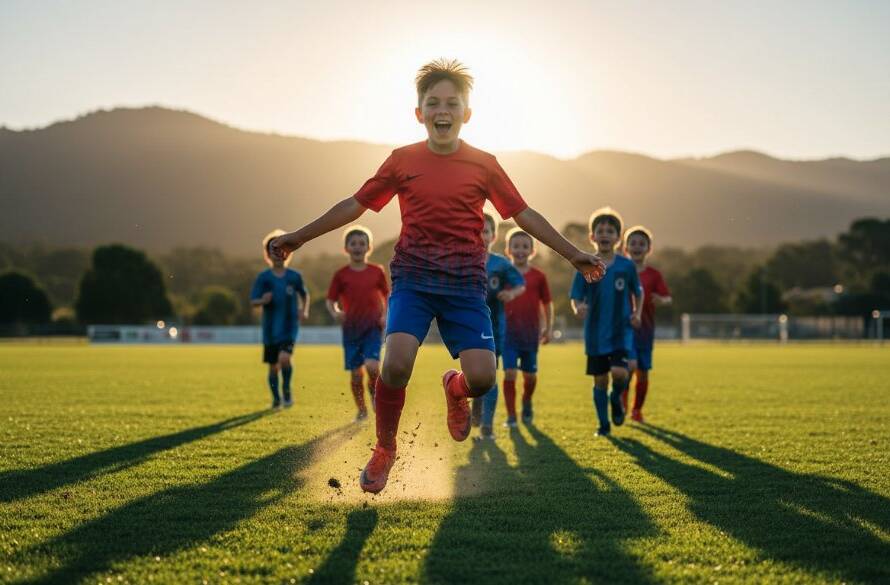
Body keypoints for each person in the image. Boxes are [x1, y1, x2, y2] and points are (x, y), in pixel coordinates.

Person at [270, 59, 604, 494]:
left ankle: (455, 388)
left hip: (466, 286)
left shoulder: (484, 164)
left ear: (467, 113)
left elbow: (522, 214)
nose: (442, 110)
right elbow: (354, 204)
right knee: (396, 364)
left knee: (483, 378)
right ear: (419, 113)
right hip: (413, 280)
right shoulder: (402, 160)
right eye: (433, 102)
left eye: (452, 103)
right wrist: (298, 236)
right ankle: (385, 448)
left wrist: (574, 253)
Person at [570, 208, 642, 436]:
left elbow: (638, 292)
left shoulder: (626, 266)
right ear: (592, 236)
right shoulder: (586, 263)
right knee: (600, 380)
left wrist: (637, 313)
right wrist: (578, 307)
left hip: (621, 331)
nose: (605, 234)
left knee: (620, 374)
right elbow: (575, 296)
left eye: (610, 231)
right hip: (595, 335)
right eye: (600, 230)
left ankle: (616, 397)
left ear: (618, 238)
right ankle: (603, 425)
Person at [326, 225, 389, 422]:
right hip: (351, 330)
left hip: (372, 327)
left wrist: (386, 315)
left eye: (362, 243)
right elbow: (331, 300)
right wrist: (335, 311)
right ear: (346, 248)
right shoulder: (341, 274)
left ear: (368, 247)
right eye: (353, 243)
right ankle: (361, 410)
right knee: (355, 374)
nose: (357, 247)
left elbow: (388, 295)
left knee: (372, 367)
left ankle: (375, 397)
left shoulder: (377, 271)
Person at [475, 213, 525, 439]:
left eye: (485, 231)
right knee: (474, 375)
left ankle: (487, 425)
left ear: (493, 235)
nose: (480, 236)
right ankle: (476, 404)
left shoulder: (500, 264)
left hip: (494, 328)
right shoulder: (460, 262)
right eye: (475, 231)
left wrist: (510, 293)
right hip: (466, 327)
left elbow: (520, 285)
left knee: (490, 375)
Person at [250, 229, 309, 408]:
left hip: (289, 327)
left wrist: (304, 310)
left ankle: (287, 392)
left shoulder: (295, 276)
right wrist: (262, 300)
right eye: (272, 249)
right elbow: (253, 301)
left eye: (280, 249)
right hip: (270, 329)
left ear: (287, 252)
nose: (276, 253)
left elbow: (305, 294)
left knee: (284, 359)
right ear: (267, 254)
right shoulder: (263, 278)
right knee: (273, 366)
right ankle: (276, 399)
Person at [502, 227, 553, 426]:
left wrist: (548, 328)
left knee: (530, 376)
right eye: (516, 246)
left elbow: (547, 304)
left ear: (532, 250)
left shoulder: (539, 276)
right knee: (510, 373)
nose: (520, 250)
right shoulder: (503, 274)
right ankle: (511, 416)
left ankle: (527, 400)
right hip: (508, 335)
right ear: (508, 249)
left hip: (530, 335)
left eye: (525, 246)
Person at [623, 225, 672, 423]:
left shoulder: (654, 275)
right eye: (633, 243)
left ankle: (637, 410)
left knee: (642, 372)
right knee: (628, 367)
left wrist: (661, 300)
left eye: (641, 244)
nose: (637, 247)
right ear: (626, 247)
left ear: (648, 248)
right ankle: (622, 401)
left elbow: (668, 298)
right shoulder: (621, 271)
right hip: (624, 329)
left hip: (645, 330)